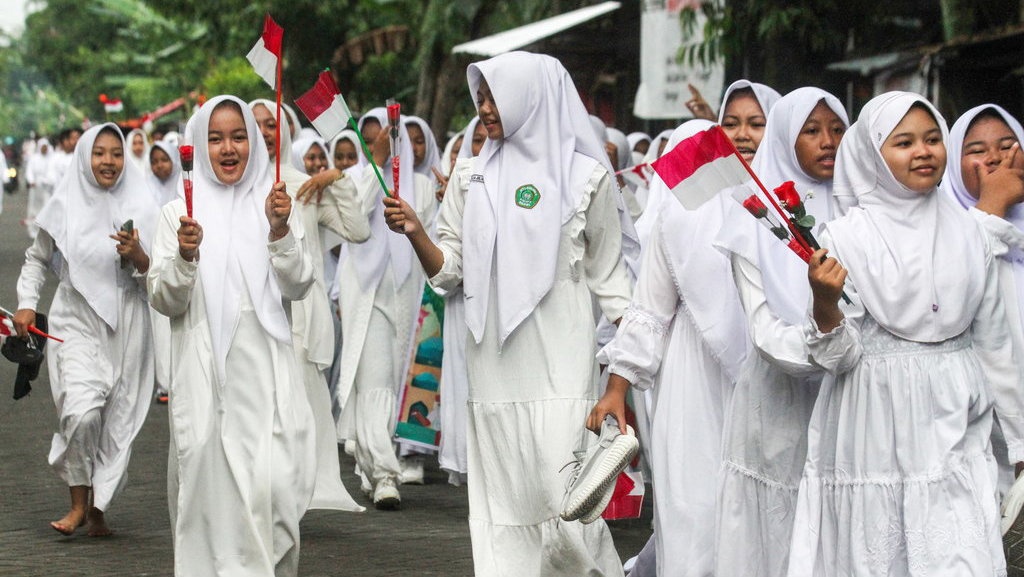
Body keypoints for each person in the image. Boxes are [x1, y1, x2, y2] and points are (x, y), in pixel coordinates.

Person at [384, 51, 634, 577]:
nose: (486, 108)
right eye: (480, 98)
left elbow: (615, 287)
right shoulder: (471, 175)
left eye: (496, 96)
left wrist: (619, 384)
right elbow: (449, 269)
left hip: (562, 370)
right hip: (492, 373)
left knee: (569, 512)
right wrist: (417, 233)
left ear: (533, 97)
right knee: (503, 514)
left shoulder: (587, 178)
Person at [789, 91, 1024, 576]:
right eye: (904, 142)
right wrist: (824, 302)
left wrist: (1021, 447)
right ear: (874, 155)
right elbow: (838, 358)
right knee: (879, 553)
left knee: (962, 550)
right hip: (873, 423)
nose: (923, 151)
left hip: (956, 419)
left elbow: (996, 345)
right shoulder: (845, 239)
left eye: (933, 138)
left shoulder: (971, 232)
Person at [147, 95, 317, 576]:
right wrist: (184, 257)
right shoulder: (178, 214)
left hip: (267, 379)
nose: (228, 148)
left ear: (255, 144)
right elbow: (164, 298)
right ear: (199, 144)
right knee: (214, 509)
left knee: (279, 495)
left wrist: (280, 230)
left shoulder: (275, 203)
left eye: (239, 136)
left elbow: (299, 283)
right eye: (216, 138)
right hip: (210, 386)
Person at [592, 119, 750, 577]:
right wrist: (617, 388)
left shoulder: (761, 213)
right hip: (687, 383)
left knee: (745, 510)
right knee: (692, 506)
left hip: (760, 379)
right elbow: (647, 313)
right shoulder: (668, 222)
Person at [712, 87, 848, 577]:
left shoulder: (867, 209)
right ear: (786, 140)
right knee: (776, 529)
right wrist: (832, 346)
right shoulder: (754, 220)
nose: (828, 142)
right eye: (811, 131)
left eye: (837, 130)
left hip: (854, 403)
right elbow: (764, 330)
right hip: (780, 402)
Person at [14, 123, 158, 537]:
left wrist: (139, 255)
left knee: (117, 423)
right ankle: (78, 503)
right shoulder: (63, 204)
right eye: (99, 153)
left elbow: (161, 277)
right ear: (83, 157)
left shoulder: (144, 205)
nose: (108, 161)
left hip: (129, 323)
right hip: (75, 319)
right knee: (81, 412)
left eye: (116, 153)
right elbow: (36, 259)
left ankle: (99, 506)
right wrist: (27, 303)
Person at [249, 97, 369, 514]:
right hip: (256, 317)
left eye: (272, 124)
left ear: (287, 130)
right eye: (257, 124)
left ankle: (295, 497)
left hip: (304, 319)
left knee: (301, 414)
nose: (265, 132)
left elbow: (358, 230)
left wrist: (336, 179)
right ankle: (267, 495)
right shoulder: (234, 188)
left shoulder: (305, 184)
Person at [335, 111, 438, 509]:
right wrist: (374, 165)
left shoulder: (424, 188)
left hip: (409, 295)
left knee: (392, 384)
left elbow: (430, 239)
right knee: (375, 379)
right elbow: (353, 218)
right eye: (371, 139)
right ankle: (384, 475)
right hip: (366, 294)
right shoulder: (353, 181)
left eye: (387, 138)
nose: (380, 143)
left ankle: (370, 459)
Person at [942, 104, 1024, 500]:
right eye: (976, 150)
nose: (995, 158)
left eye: (1008, 145)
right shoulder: (946, 231)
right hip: (978, 427)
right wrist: (993, 205)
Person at [718, 79, 782, 164]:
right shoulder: (702, 177)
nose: (742, 135)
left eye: (756, 124)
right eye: (730, 124)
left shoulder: (794, 177)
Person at [25, 138, 54, 238]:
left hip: (46, 188)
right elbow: (29, 171)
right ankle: (32, 230)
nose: (44, 149)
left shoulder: (51, 159)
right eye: (42, 147)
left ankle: (44, 231)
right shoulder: (34, 158)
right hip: (35, 187)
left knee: (46, 208)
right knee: (33, 209)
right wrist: (31, 180)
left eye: (46, 147)